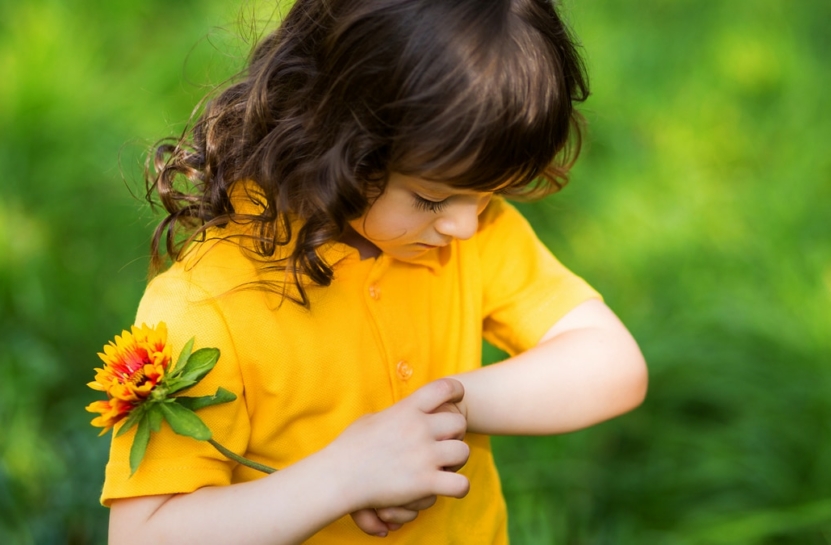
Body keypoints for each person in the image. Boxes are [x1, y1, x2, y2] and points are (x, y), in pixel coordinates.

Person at [101, 0, 647, 543]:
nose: (463, 224)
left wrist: (443, 407)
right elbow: (143, 533)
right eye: (433, 197)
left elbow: (612, 365)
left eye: (487, 194)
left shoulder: (475, 230)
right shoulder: (207, 302)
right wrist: (342, 477)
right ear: (335, 141)